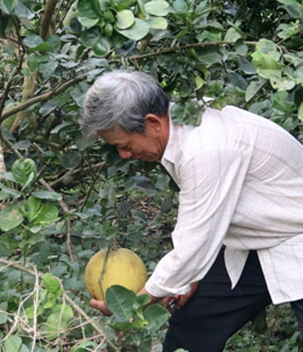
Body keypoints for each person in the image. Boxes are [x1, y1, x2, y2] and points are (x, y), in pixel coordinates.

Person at [79, 70, 303, 352]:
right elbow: (207, 220)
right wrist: (191, 277)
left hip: (297, 239)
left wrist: (134, 303)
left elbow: (192, 245)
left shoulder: (205, 148)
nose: (124, 155)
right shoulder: (182, 127)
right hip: (256, 242)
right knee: (194, 324)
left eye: (125, 145)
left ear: (152, 123)